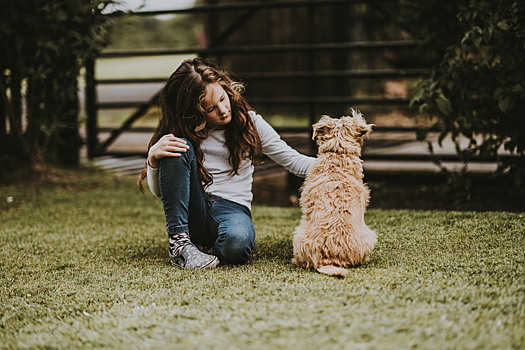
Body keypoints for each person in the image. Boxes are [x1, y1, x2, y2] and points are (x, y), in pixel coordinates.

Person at [138, 57, 361, 269]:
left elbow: (293, 161)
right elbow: (161, 193)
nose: (223, 110)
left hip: (233, 208)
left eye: (222, 99)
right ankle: (180, 246)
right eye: (210, 109)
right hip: (194, 207)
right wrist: (153, 159)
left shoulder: (251, 123)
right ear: (191, 112)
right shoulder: (180, 134)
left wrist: (340, 167)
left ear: (226, 88)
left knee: (237, 245)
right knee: (176, 146)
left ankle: (203, 250)